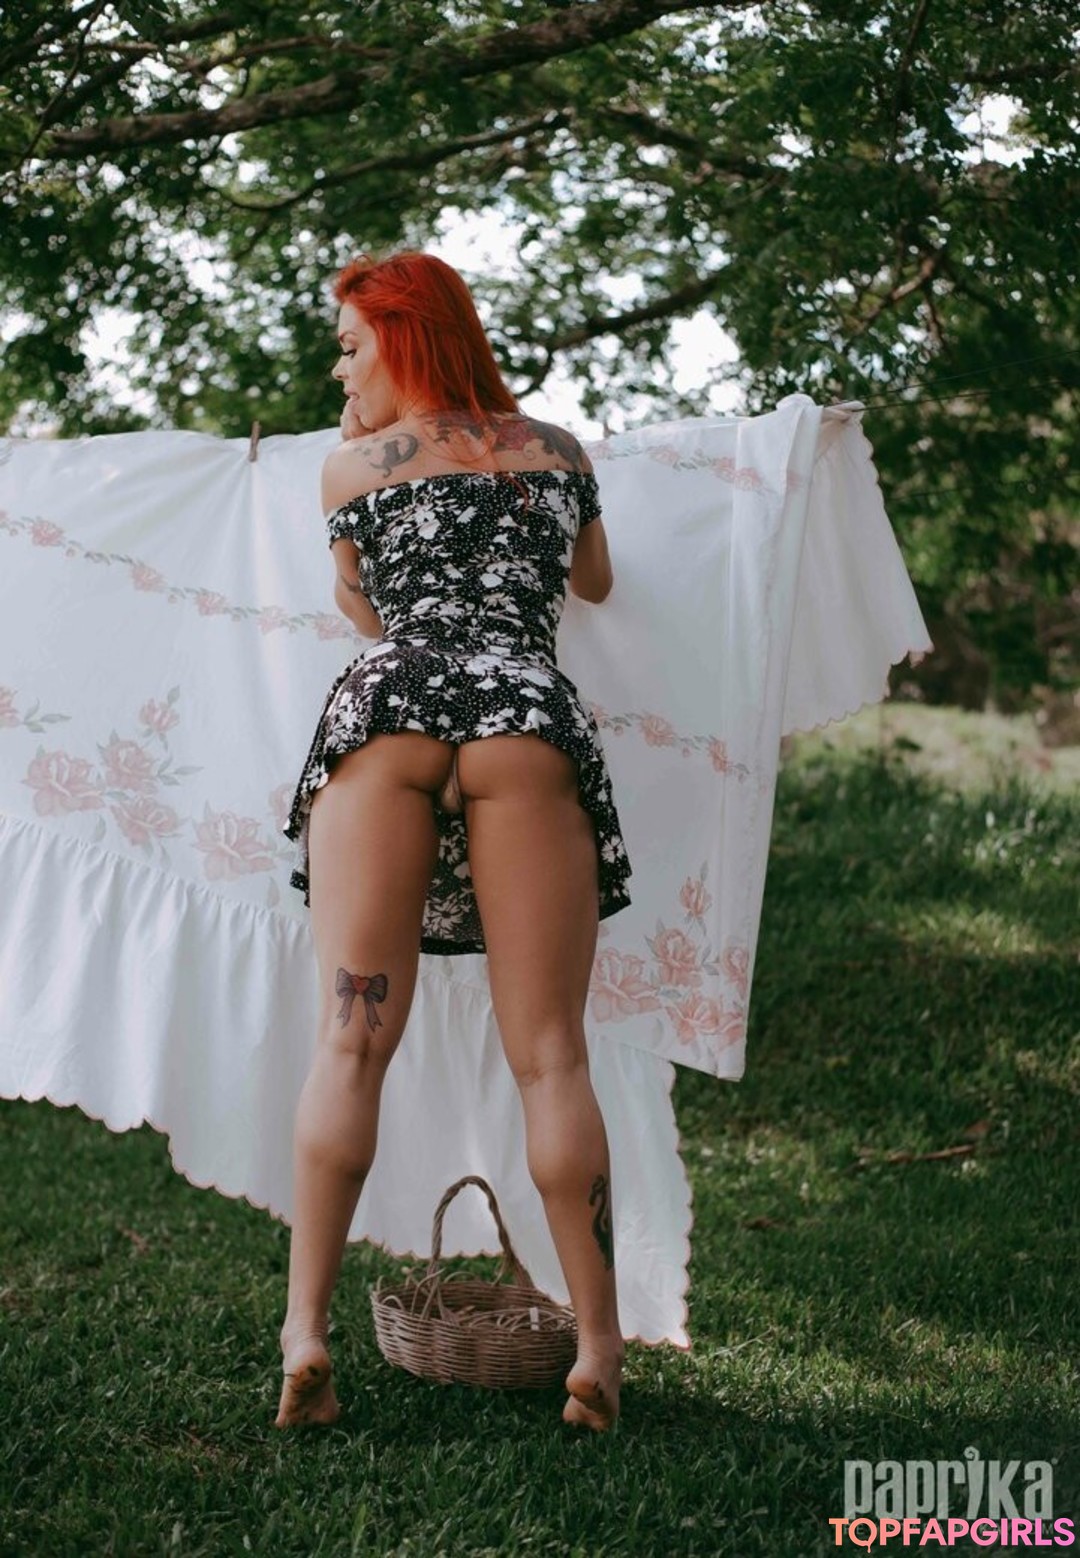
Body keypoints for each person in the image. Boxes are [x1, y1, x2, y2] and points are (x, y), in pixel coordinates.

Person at [276, 251, 633, 1433]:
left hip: (386, 715)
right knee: (552, 1057)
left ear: (401, 337)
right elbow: (593, 583)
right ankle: (597, 1350)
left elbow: (366, 608)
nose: (342, 369)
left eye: (350, 346)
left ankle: (305, 1332)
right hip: (524, 714)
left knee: (349, 1041)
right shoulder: (559, 451)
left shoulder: (349, 469)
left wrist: (372, 450)